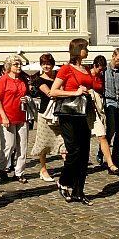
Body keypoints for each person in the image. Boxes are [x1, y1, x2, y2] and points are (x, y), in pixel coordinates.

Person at [50, 38, 95, 205]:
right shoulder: (65, 69)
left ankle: (79, 191)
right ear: (78, 50)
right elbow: (54, 91)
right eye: (85, 48)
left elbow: (89, 86)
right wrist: (74, 92)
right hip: (68, 114)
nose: (87, 51)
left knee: (84, 154)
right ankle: (63, 181)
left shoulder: (86, 69)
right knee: (74, 151)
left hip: (83, 113)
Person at [0, 54, 30, 184]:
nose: (19, 66)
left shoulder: (24, 79)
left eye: (20, 64)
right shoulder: (3, 80)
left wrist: (26, 99)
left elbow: (28, 94)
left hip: (21, 115)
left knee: (22, 146)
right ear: (9, 66)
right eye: (16, 64)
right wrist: (3, 116)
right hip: (7, 116)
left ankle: (19, 172)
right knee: (9, 145)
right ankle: (1, 167)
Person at [30, 53, 66, 182]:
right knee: (43, 143)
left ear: (52, 65)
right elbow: (50, 93)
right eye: (44, 64)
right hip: (45, 114)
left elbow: (61, 90)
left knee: (63, 141)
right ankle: (43, 169)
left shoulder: (56, 78)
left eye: (48, 64)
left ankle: (68, 169)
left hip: (59, 113)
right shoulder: (39, 80)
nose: (46, 66)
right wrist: (62, 92)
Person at [91, 55, 119, 176]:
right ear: (94, 66)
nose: (102, 72)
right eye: (100, 69)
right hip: (87, 109)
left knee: (103, 134)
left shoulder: (101, 76)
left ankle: (111, 164)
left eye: (103, 69)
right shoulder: (88, 75)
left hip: (98, 108)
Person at [100, 48, 119, 169]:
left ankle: (116, 156)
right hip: (109, 101)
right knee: (111, 129)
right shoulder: (105, 70)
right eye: (118, 60)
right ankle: (103, 153)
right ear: (113, 57)